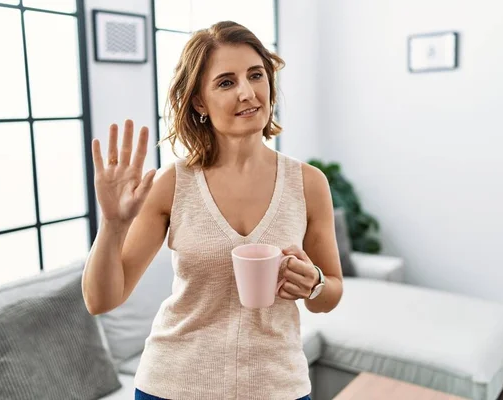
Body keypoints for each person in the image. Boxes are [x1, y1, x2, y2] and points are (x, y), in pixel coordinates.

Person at [82, 21, 343, 400]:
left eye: (256, 75)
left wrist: (314, 282)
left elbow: (330, 293)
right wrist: (112, 224)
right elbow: (101, 300)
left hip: (276, 387)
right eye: (226, 82)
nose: (248, 92)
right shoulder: (173, 184)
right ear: (200, 102)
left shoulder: (308, 183)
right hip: (172, 386)